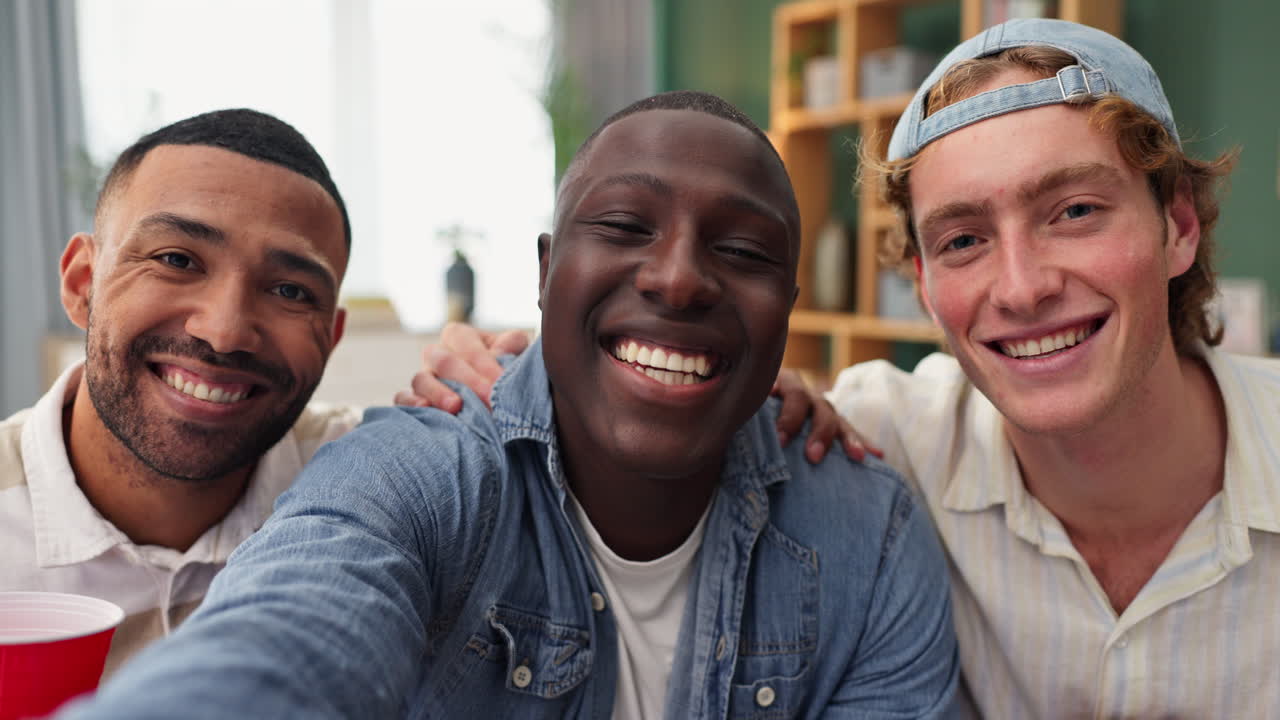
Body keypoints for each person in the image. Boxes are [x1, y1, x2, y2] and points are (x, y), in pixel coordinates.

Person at [412, 20, 1280, 719]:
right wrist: (501, 368)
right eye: (964, 240)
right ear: (924, 287)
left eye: (1076, 210)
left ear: (1179, 227)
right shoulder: (875, 437)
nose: (1021, 287)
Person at [62, 91, 960, 719]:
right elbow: (290, 636)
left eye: (742, 250)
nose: (680, 278)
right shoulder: (421, 464)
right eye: (623, 227)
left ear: (788, 309)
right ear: (542, 275)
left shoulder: (868, 536)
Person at [0, 109, 361, 676]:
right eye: (176, 260)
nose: (224, 330)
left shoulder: (374, 486)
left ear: (331, 337)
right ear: (81, 285)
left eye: (290, 290)